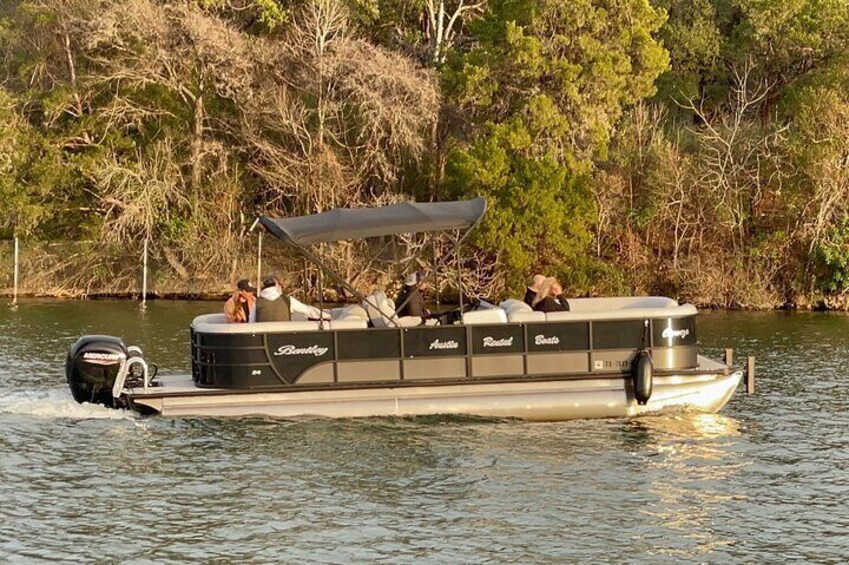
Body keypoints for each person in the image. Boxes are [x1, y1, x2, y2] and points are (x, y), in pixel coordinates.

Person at [251, 274, 330, 322]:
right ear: (277, 285)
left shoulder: (257, 302)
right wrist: (326, 316)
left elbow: (251, 321)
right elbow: (308, 310)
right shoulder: (287, 300)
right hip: (284, 341)